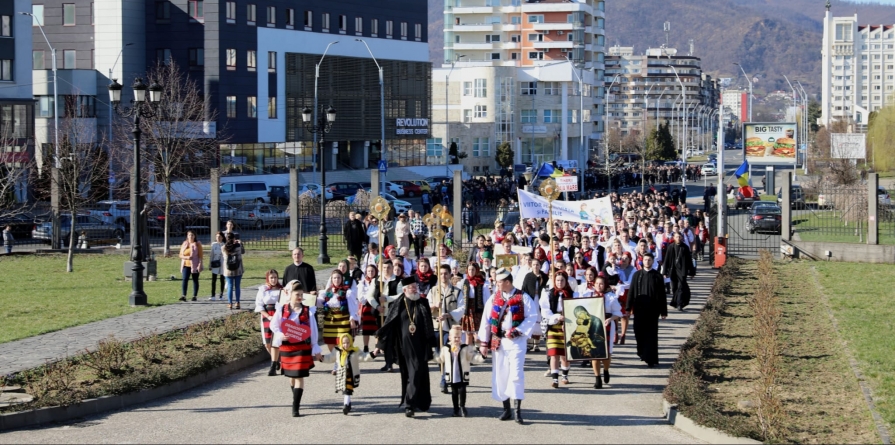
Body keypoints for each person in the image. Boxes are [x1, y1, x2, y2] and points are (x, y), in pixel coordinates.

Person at [477, 267, 539, 425]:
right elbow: (486, 320)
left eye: (499, 282)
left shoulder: (523, 297)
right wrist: (484, 343)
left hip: (516, 341)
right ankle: (506, 409)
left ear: (507, 282)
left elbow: (532, 316)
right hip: (499, 340)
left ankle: (518, 410)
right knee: (501, 373)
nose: (496, 284)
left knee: (516, 374)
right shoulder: (493, 298)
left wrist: (517, 331)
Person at [374, 276, 437, 418]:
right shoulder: (398, 304)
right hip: (404, 347)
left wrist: (432, 343)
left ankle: (420, 402)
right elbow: (389, 325)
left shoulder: (423, 302)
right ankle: (409, 405)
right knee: (412, 373)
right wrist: (380, 345)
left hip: (421, 345)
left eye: (415, 286)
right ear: (404, 290)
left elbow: (428, 324)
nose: (414, 289)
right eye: (411, 287)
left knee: (419, 373)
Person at [270, 280, 323, 417]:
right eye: (297, 294)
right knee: (291, 377)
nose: (299, 297)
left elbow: (313, 329)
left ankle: (295, 407)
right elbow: (273, 325)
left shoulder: (307, 310)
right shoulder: (282, 309)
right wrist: (281, 335)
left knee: (299, 376)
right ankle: (295, 397)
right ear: (290, 294)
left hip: (302, 347)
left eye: (301, 294)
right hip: (287, 348)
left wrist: (315, 347)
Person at [578, 275, 623, 388]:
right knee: (594, 353)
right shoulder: (589, 295)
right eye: (597, 283)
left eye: (601, 283)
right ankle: (597, 378)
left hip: (607, 325)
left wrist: (610, 319)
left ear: (605, 285)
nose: (599, 286)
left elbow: (618, 313)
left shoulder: (611, 297)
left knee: (606, 354)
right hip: (592, 326)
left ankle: (606, 370)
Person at [627, 252, 667, 368]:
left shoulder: (657, 276)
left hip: (653, 311)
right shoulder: (637, 275)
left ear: (653, 261)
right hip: (639, 309)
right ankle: (641, 351)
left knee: (651, 335)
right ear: (642, 261)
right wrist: (628, 308)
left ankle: (651, 359)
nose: (647, 262)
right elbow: (631, 292)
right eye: (645, 260)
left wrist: (663, 311)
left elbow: (662, 295)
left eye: (649, 260)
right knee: (638, 332)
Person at [430, 264, 465, 393]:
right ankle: (444, 373)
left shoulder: (457, 292)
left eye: (446, 273)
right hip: (436, 327)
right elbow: (426, 306)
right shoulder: (433, 290)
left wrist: (449, 314)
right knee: (439, 354)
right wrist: (434, 306)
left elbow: (462, 308)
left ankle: (444, 379)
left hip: (449, 328)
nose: (443, 276)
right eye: (441, 273)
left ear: (450, 274)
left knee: (447, 353)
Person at [436, 325, 483, 417]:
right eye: (455, 337)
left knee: (462, 390)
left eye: (459, 337)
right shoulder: (446, 348)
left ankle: (462, 407)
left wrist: (481, 357)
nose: (457, 339)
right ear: (449, 338)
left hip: (461, 373)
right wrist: (433, 357)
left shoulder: (465, 348)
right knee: (454, 392)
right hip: (452, 374)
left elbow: (472, 357)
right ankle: (455, 408)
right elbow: (441, 359)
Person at [317, 270, 359, 369]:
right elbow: (319, 303)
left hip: (342, 320)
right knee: (330, 342)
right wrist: (313, 297)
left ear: (342, 279)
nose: (336, 280)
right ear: (331, 279)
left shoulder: (347, 292)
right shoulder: (327, 292)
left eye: (338, 278)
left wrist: (352, 319)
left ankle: (341, 363)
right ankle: (337, 361)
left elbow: (353, 307)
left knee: (342, 342)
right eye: (334, 278)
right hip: (330, 321)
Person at [540, 272, 574, 388]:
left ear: (566, 281)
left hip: (567, 324)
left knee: (565, 354)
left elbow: (575, 308)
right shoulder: (548, 294)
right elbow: (545, 310)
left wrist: (566, 319)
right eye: (558, 280)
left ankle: (565, 375)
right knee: (554, 353)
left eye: (562, 280)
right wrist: (556, 317)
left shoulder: (572, 293)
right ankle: (555, 379)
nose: (560, 283)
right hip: (553, 325)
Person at [319, 333, 362, 415]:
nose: (346, 345)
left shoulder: (354, 351)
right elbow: (330, 358)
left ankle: (346, 405)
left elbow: (363, 356)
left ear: (351, 342)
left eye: (348, 343)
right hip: (342, 373)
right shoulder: (337, 351)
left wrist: (372, 354)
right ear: (341, 343)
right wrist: (322, 358)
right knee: (346, 390)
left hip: (351, 373)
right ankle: (348, 404)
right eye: (344, 343)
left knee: (347, 390)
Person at [254, 269, 283, 376]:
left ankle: (273, 364)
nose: (274, 280)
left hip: (279, 316)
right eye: (271, 278)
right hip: (267, 315)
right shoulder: (263, 290)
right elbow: (259, 306)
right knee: (267, 342)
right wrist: (268, 316)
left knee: (277, 340)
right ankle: (277, 360)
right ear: (268, 278)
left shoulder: (282, 289)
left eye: (275, 277)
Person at [662, 231, 696, 310]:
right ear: (674, 238)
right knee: (674, 288)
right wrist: (664, 272)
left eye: (679, 237)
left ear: (682, 238)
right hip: (673, 270)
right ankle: (676, 302)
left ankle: (679, 304)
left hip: (682, 270)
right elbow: (666, 260)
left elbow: (689, 261)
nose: (678, 238)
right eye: (676, 237)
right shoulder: (671, 247)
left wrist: (692, 272)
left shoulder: (685, 247)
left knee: (681, 287)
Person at [355, 264, 381, 354]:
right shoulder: (362, 282)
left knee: (376, 327)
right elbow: (360, 296)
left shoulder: (379, 281)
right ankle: (366, 346)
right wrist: (369, 297)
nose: (370, 273)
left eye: (372, 271)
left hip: (376, 306)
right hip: (366, 307)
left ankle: (377, 347)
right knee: (366, 329)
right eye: (369, 271)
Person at [221, 233, 244, 310]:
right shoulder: (238, 247)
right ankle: (237, 302)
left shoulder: (223, 248)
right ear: (234, 239)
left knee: (230, 287)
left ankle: (230, 303)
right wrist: (240, 243)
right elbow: (243, 252)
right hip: (238, 269)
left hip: (228, 270)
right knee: (237, 286)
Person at [178, 231, 203, 302]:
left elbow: (200, 255)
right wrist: (186, 257)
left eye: (192, 235)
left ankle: (194, 295)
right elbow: (180, 255)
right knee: (185, 279)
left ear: (194, 236)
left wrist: (200, 264)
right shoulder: (184, 244)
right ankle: (184, 295)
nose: (190, 237)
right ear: (187, 236)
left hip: (195, 265)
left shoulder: (197, 244)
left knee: (195, 280)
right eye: (189, 235)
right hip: (186, 264)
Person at [208, 231, 225, 301]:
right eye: (217, 236)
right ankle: (213, 295)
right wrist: (210, 264)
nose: (218, 238)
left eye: (220, 237)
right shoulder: (213, 245)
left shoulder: (224, 245)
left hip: (222, 264)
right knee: (213, 280)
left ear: (222, 237)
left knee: (222, 279)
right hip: (215, 262)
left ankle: (221, 295)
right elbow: (211, 255)